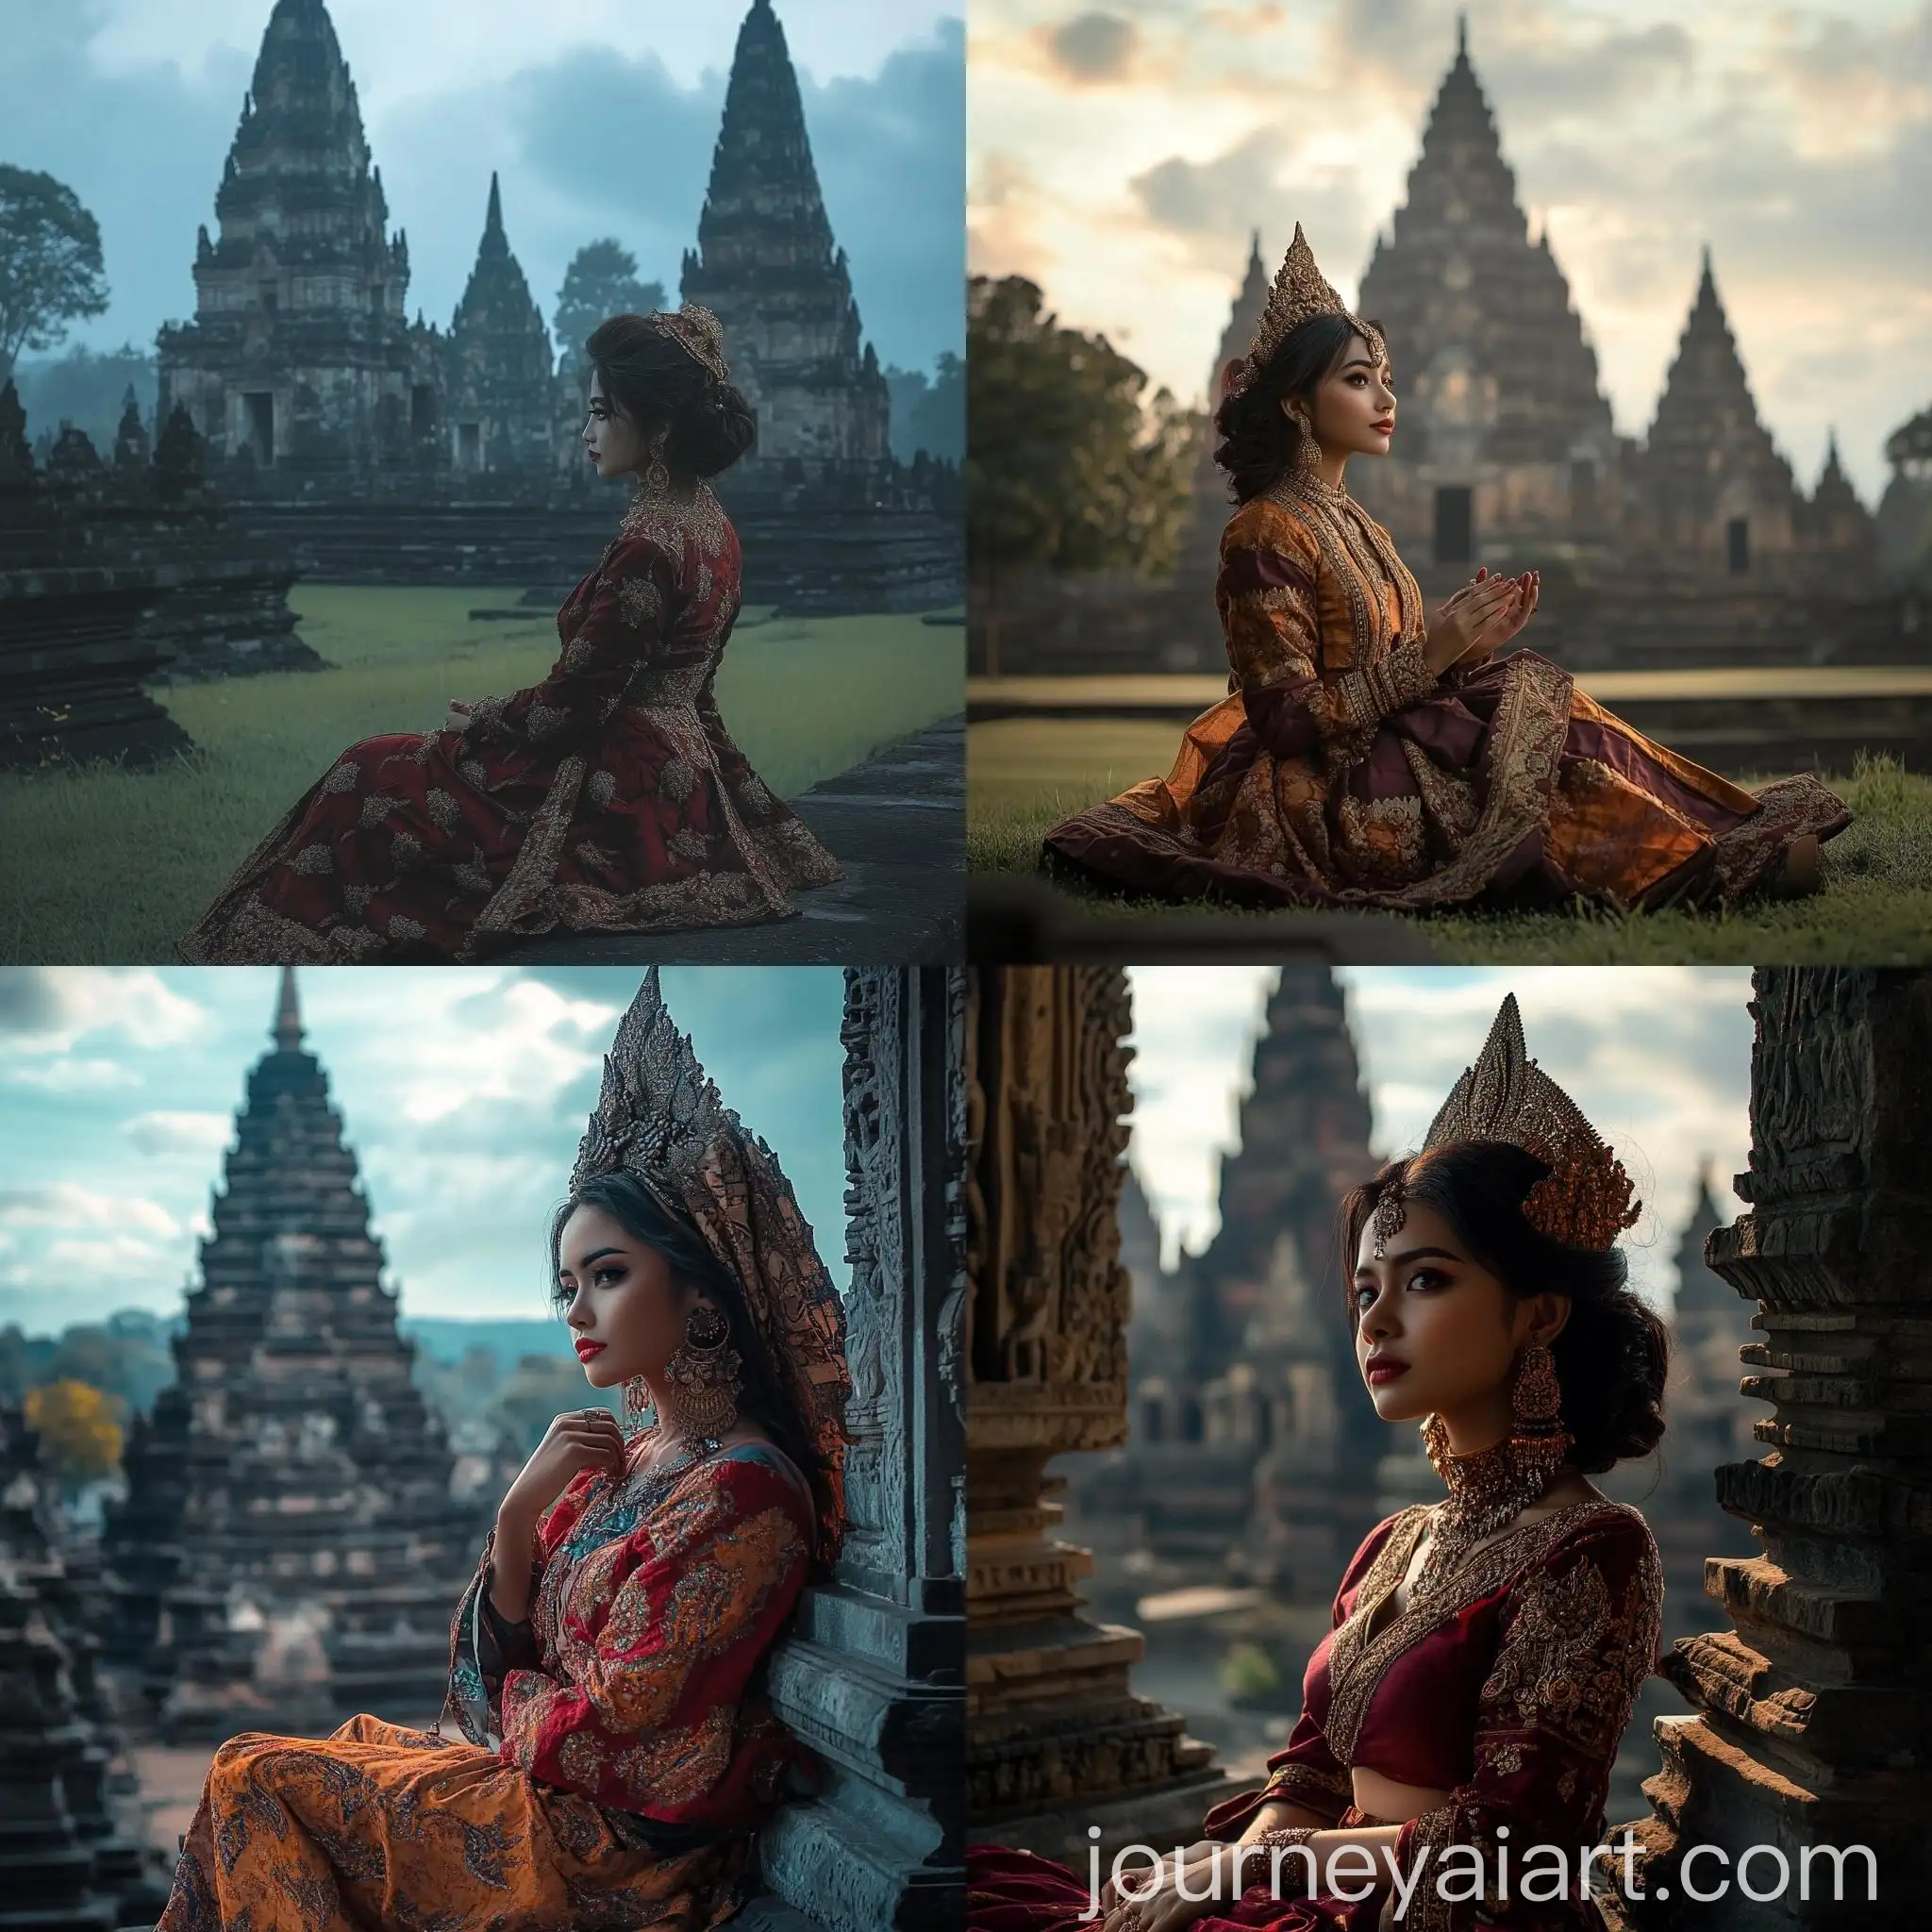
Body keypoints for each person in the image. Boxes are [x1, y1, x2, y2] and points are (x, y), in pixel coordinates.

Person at [158, 969, 852, 1931]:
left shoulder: (744, 1492)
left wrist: (515, 1696)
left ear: (700, 1293)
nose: (577, 1309)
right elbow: (511, 1671)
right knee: (302, 1751)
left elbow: (615, 1728)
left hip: (606, 1851)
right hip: (540, 1792)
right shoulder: (629, 1459)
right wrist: (517, 1513)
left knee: (256, 1776)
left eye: (606, 1275)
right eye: (565, 1282)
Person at [968, 993, 1668, 1932]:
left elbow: (1514, 1848)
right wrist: (1226, 1862)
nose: (1373, 1320)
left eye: (1424, 1278)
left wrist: (1253, 1869)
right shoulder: (1395, 1540)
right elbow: (1308, 1764)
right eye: (1362, 1287)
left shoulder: (1591, 1547)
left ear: (1539, 1313)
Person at [1041, 225, 1850, 914]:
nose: (1386, 397)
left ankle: (1715, 835)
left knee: (1533, 695)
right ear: (1296, 404)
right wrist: (1435, 649)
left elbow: (1394, 664)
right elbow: (1286, 721)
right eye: (1358, 381)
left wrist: (1469, 641)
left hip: (1399, 738)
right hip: (1330, 790)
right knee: (1533, 766)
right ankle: (1703, 866)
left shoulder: (1359, 523)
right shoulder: (1263, 532)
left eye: (1386, 379)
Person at [177, 307, 841, 963]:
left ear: (659, 427)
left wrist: (484, 716)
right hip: (677, 779)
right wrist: (744, 801)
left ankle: (267, 947)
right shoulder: (714, 530)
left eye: (602, 414)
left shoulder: (649, 546)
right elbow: (694, 696)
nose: (586, 431)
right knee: (392, 768)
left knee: (365, 771)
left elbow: (571, 710)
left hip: (615, 786)